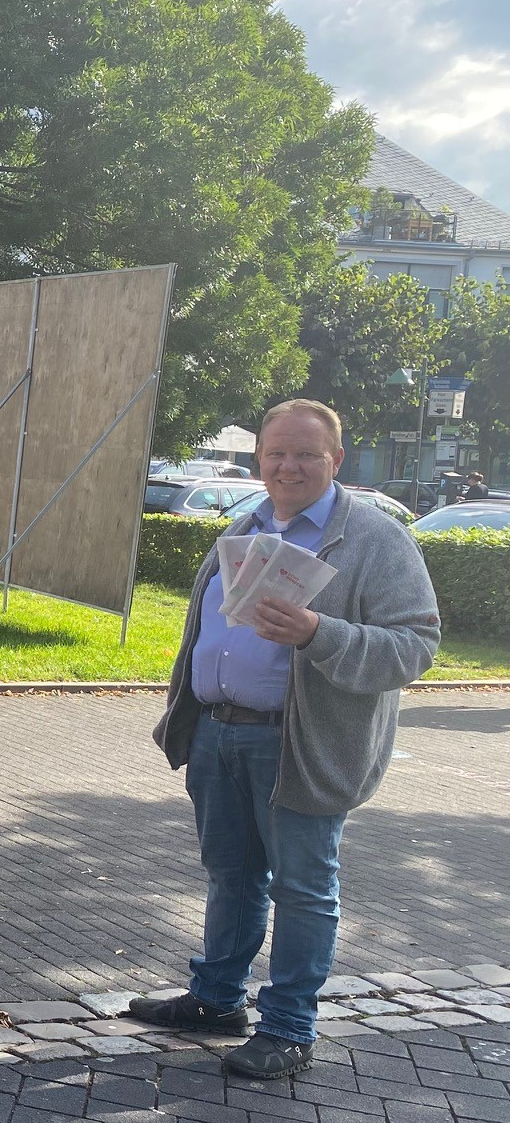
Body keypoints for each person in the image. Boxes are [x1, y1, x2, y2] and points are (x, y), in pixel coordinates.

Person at [129, 399, 439, 1079]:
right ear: (259, 458)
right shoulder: (245, 525)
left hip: (300, 743)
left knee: (302, 889)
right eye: (276, 453)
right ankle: (216, 1000)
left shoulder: (375, 539)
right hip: (219, 733)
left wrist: (317, 633)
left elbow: (416, 645)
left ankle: (290, 1028)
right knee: (231, 876)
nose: (287, 466)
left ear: (336, 460)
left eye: (305, 454)